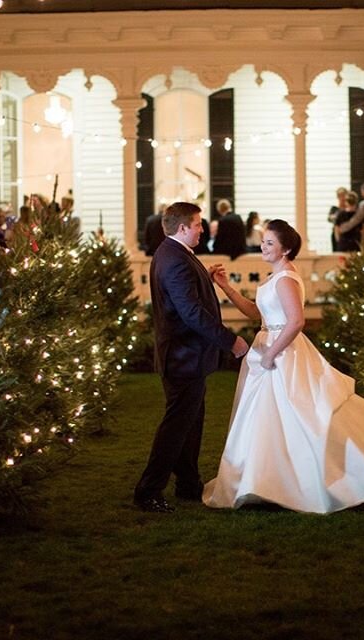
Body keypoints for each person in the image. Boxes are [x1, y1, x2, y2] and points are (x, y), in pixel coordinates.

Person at [203, 219, 364, 514]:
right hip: (269, 347)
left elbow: (295, 321)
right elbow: (258, 313)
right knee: (267, 419)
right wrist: (226, 287)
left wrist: (270, 355)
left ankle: (315, 478)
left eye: (269, 243)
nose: (263, 247)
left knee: (301, 415)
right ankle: (265, 478)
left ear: (286, 249)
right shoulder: (275, 276)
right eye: (263, 241)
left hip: (282, 354)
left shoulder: (286, 279)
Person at [134, 202, 249, 513]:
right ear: (183, 227)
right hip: (183, 357)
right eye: (198, 224)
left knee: (190, 422)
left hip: (185, 356)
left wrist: (205, 278)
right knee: (176, 426)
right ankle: (148, 490)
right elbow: (192, 313)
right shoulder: (176, 260)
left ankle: (187, 482)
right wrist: (231, 341)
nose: (203, 229)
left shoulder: (173, 254)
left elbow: (187, 296)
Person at [328, 187, 348, 252]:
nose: (342, 198)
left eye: (344, 195)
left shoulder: (349, 209)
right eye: (340, 196)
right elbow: (329, 218)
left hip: (347, 235)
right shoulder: (334, 209)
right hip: (336, 234)